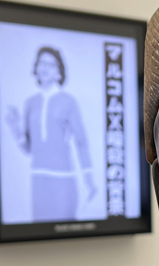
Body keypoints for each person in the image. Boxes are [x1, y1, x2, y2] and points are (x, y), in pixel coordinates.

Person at [6, 46, 96, 222]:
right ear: (36, 68)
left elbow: (81, 143)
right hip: (39, 180)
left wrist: (89, 180)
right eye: (41, 63)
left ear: (59, 72)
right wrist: (14, 127)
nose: (45, 68)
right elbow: (29, 149)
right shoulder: (30, 103)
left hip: (62, 181)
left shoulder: (68, 102)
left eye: (51, 64)